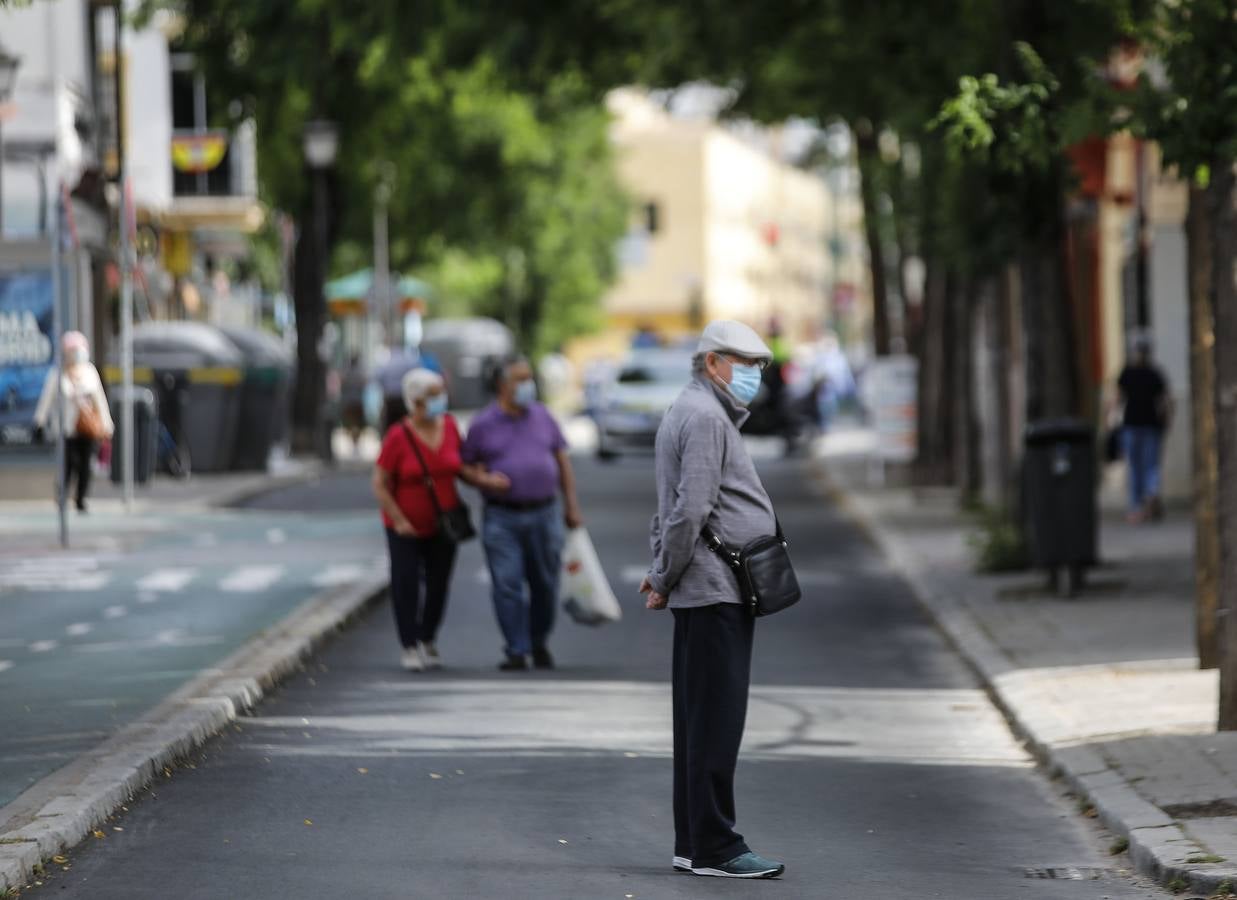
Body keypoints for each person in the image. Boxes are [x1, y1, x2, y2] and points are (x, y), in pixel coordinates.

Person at [640, 320, 786, 880]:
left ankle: (694, 841)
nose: (753, 374)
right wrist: (663, 576)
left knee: (700, 719)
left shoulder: (698, 412)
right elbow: (689, 510)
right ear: (712, 363)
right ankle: (717, 847)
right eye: (745, 363)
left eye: (759, 366)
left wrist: (662, 573)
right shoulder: (703, 417)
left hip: (710, 588)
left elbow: (676, 506)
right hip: (714, 588)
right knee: (716, 722)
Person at [461, 356, 583, 671]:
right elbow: (464, 466)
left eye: (529, 378)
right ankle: (516, 648)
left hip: (545, 513)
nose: (528, 384)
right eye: (520, 378)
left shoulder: (543, 416)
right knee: (507, 582)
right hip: (502, 516)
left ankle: (538, 641)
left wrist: (571, 505)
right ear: (503, 384)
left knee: (545, 583)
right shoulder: (483, 424)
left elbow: (562, 461)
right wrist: (483, 479)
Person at [372, 368, 466, 672]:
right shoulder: (398, 436)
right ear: (415, 401)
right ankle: (409, 644)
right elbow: (380, 483)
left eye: (441, 393)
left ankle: (428, 636)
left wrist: (487, 480)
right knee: (406, 583)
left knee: (439, 584)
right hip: (404, 525)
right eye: (433, 395)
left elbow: (462, 465)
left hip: (443, 522)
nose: (441, 400)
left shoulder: (451, 427)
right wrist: (398, 519)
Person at [33, 331, 113, 512]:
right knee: (68, 464)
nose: (76, 354)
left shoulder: (90, 372)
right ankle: (62, 496)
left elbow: (99, 400)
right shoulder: (58, 373)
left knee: (86, 464)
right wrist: (39, 422)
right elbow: (47, 399)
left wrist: (107, 425)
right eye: (73, 350)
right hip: (67, 429)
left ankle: (81, 499)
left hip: (87, 429)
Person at [1117, 334, 1172, 523]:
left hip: (1132, 424)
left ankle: (1136, 508)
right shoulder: (1155, 373)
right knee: (1151, 466)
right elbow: (1165, 401)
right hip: (1151, 424)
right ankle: (1151, 494)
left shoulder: (1127, 373)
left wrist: (1110, 421)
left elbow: (1117, 398)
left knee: (1134, 467)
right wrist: (1167, 421)